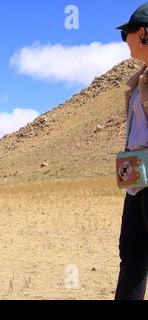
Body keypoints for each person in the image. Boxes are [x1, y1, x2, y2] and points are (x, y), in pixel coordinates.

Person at [115, 2, 148, 300]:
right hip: (137, 174)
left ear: (143, 32)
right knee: (131, 252)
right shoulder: (139, 78)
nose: (125, 41)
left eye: (126, 34)